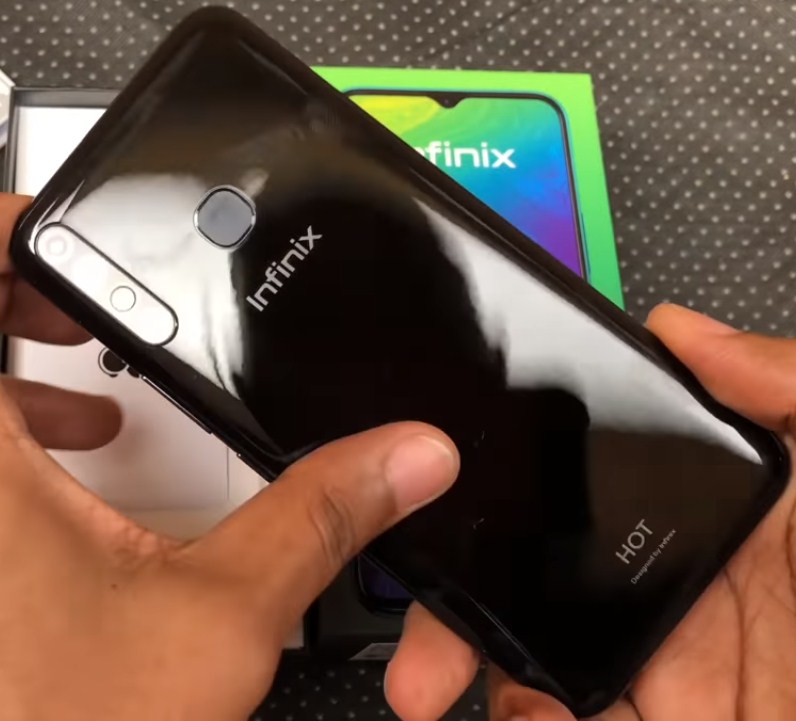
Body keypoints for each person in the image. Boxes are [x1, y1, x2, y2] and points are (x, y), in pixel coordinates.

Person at [0, 190, 794, 721]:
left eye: (403, 324)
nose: (390, 367)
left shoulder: (582, 421)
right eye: (343, 348)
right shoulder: (569, 426)